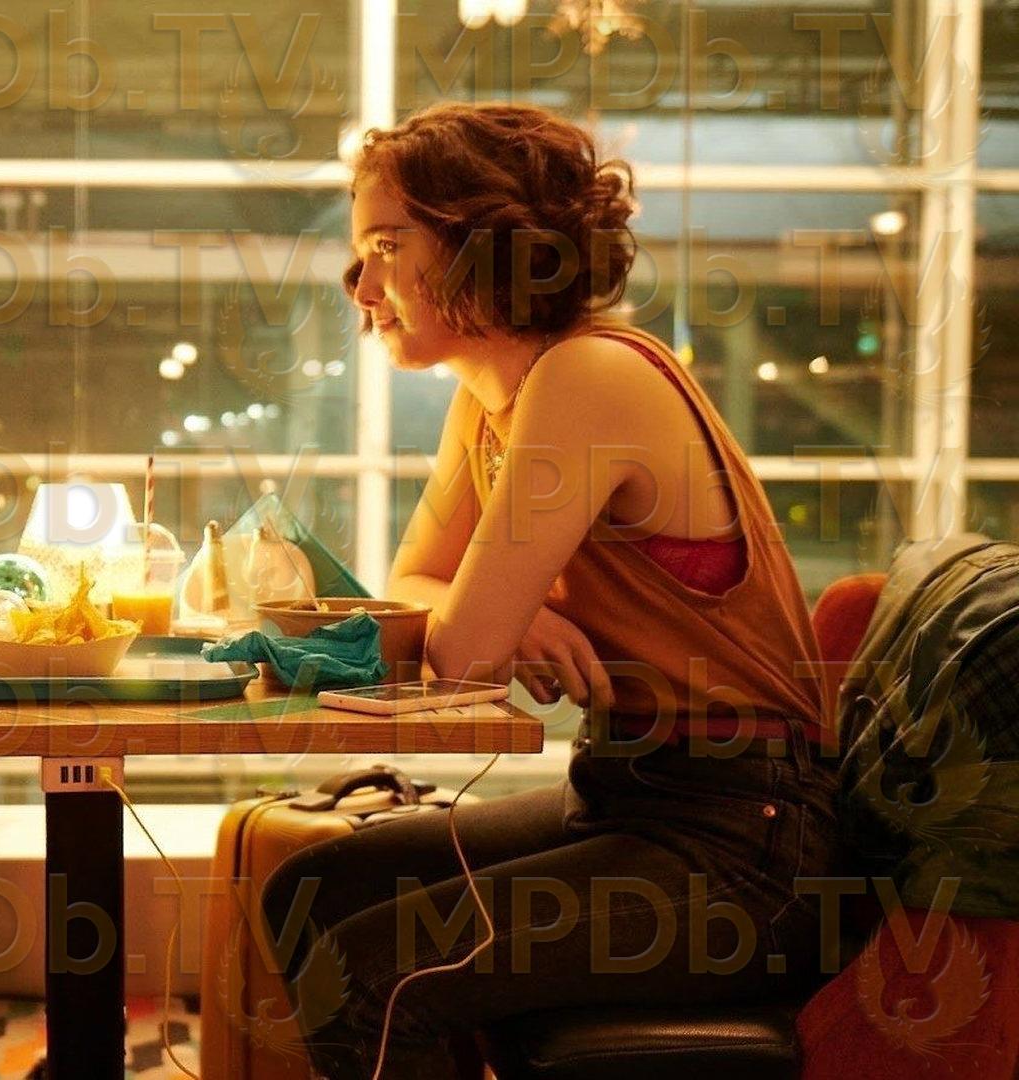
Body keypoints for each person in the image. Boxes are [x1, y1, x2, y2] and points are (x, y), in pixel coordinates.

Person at [259, 102, 841, 1078]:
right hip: (626, 796)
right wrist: (513, 612)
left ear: (485, 246)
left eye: (387, 246)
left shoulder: (589, 376)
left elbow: (459, 652)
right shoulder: (494, 394)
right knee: (312, 892)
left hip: (745, 845)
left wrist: (490, 618)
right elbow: (412, 584)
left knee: (368, 970)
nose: (360, 285)